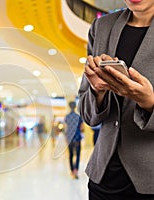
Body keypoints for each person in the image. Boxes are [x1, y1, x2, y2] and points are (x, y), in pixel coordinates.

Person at [78, 0, 154, 198]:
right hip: (104, 178)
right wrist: (97, 91)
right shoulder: (102, 26)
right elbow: (87, 114)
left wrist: (149, 102)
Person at [64, 101, 83, 179]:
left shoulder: (67, 117)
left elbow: (66, 127)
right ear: (75, 107)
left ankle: (72, 170)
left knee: (71, 155)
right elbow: (81, 127)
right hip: (77, 137)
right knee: (78, 154)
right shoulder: (78, 116)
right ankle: (76, 170)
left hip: (70, 137)